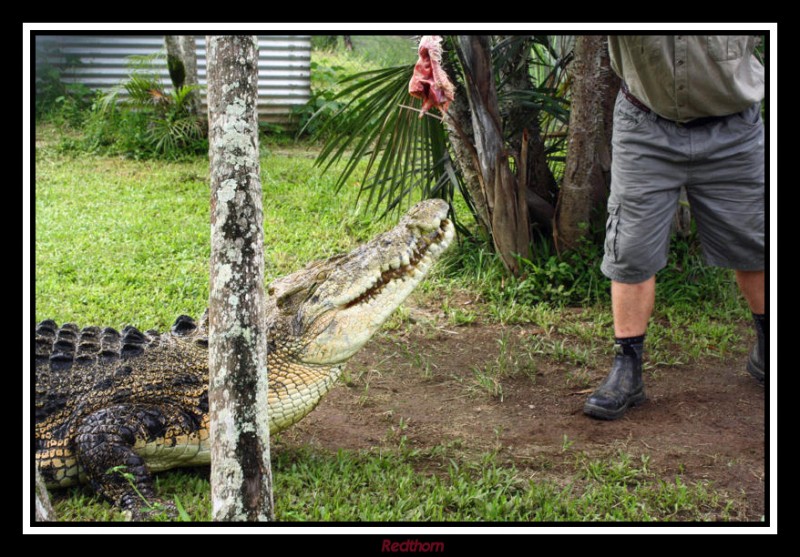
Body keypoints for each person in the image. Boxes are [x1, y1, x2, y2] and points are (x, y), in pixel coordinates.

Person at [584, 36, 766, 420]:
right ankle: (627, 370)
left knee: (758, 244)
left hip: (734, 129)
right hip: (645, 125)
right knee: (631, 248)